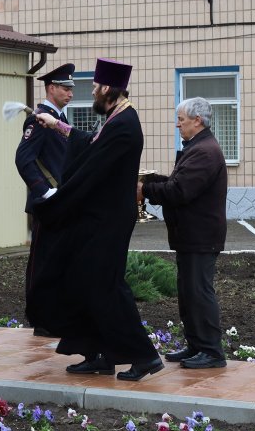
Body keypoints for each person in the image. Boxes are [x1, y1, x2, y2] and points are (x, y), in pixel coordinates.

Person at [26, 58, 163, 382]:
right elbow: (89, 144)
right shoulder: (117, 119)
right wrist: (56, 124)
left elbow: (90, 167)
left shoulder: (125, 125)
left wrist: (56, 202)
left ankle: (145, 356)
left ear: (109, 89)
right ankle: (99, 354)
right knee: (86, 282)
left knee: (107, 286)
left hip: (109, 220)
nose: (92, 94)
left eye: (96, 88)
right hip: (101, 218)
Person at [138, 96, 227, 369]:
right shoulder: (197, 147)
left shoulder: (205, 152)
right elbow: (179, 183)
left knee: (199, 292)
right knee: (188, 293)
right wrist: (153, 181)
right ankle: (195, 345)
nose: (178, 125)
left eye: (181, 120)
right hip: (190, 236)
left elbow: (180, 191)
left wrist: (145, 189)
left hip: (200, 237)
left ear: (197, 121)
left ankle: (211, 352)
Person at [14, 63, 74, 336]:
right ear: (51, 89)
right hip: (47, 203)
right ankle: (41, 319)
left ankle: (55, 316)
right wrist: (43, 190)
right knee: (42, 261)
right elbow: (23, 158)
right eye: (65, 88)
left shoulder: (58, 118)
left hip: (61, 203)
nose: (70, 92)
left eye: (71, 88)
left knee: (58, 261)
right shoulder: (39, 119)